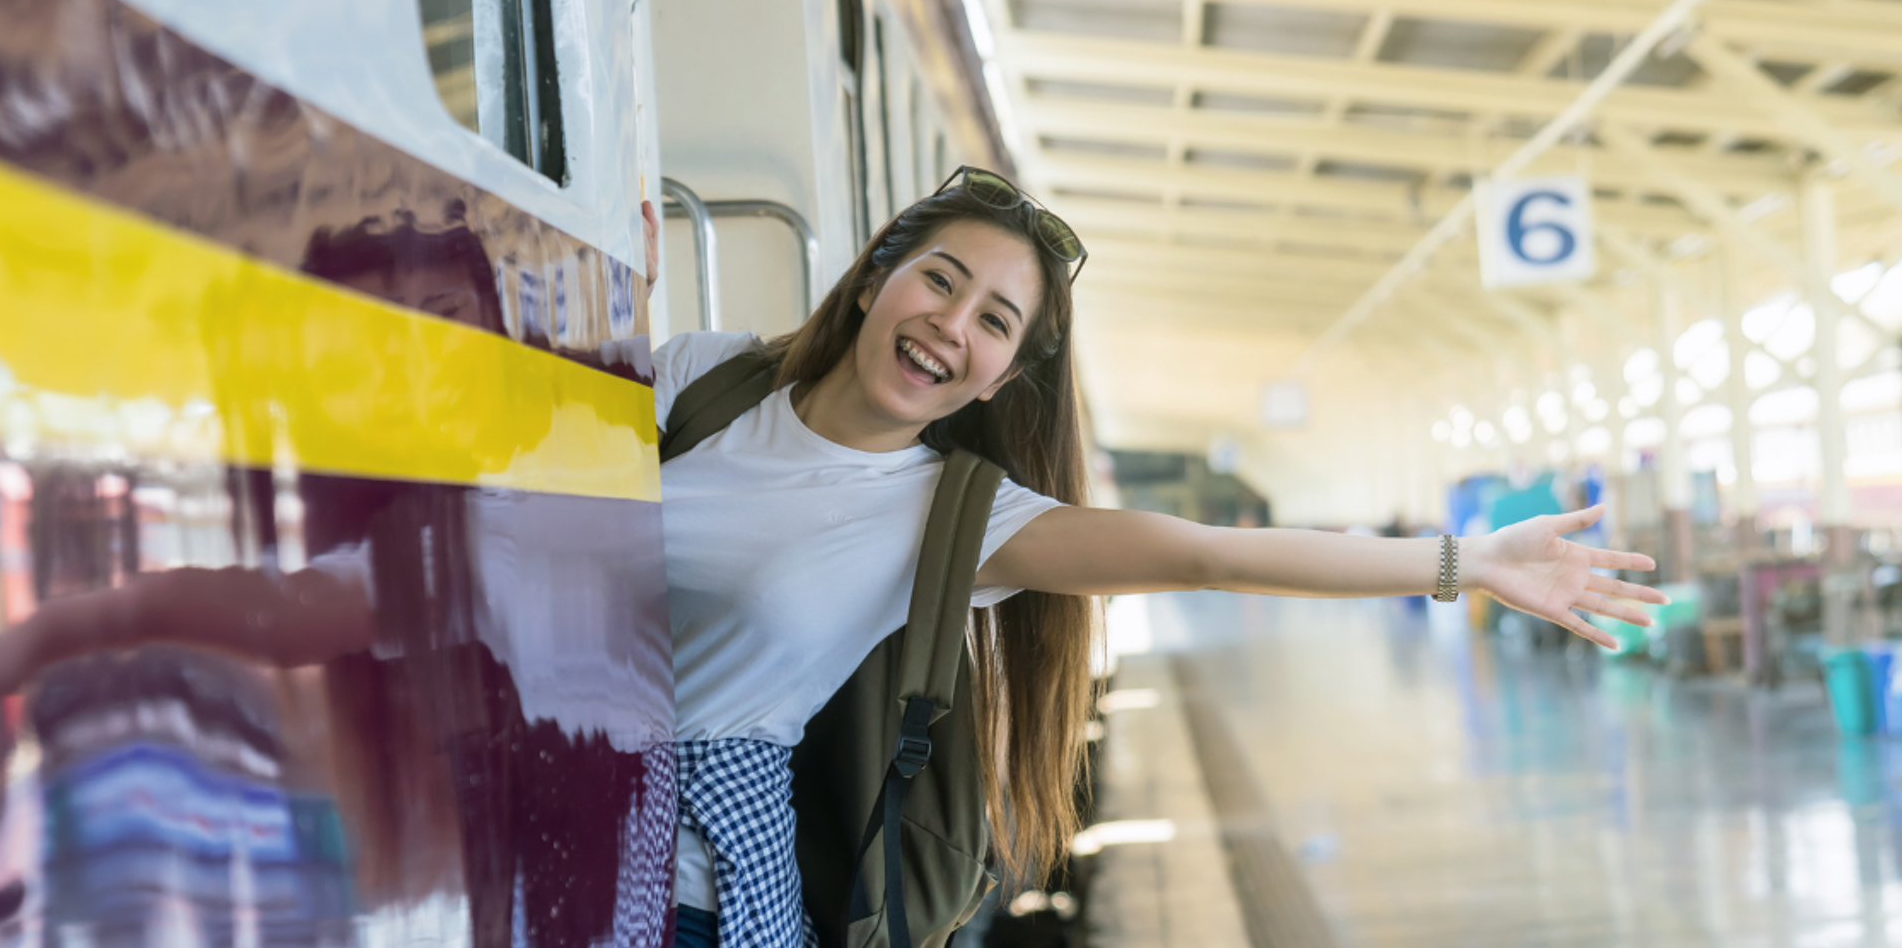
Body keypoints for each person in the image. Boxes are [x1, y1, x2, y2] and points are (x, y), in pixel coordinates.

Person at [644, 166, 1665, 947]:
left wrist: (1466, 560)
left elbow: (1207, 555)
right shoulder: (701, 380)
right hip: (541, 776)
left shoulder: (953, 516)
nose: (949, 326)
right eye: (937, 280)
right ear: (874, 277)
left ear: (1001, 376)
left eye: (993, 321)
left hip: (697, 890)